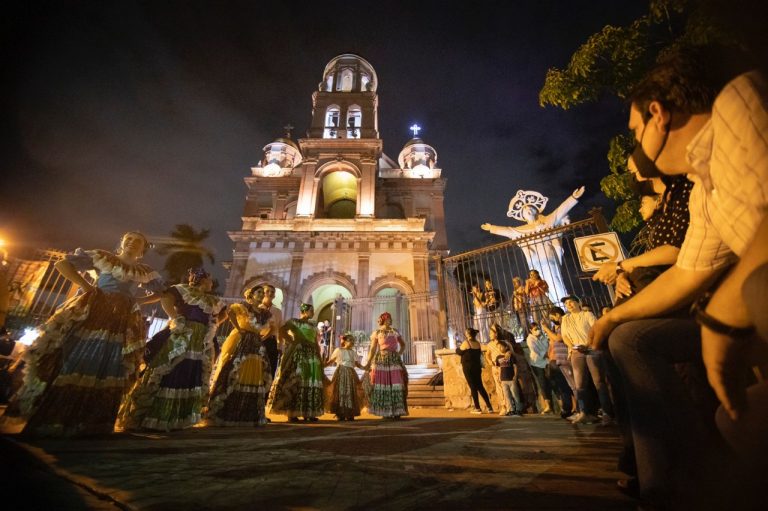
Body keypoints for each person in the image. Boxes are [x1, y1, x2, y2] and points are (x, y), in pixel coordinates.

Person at [588, 47, 767, 509]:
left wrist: (721, 316)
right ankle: (674, 484)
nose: (633, 149)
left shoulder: (740, 101)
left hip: (754, 306)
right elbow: (689, 272)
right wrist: (611, 320)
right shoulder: (705, 191)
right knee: (632, 338)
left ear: (657, 115)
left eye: (633, 133)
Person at [3, 232, 163, 437]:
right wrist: (87, 286)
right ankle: (56, 418)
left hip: (120, 318)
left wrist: (137, 300)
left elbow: (162, 292)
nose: (132, 242)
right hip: (95, 308)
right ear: (122, 242)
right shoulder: (104, 257)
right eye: (128, 239)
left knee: (109, 361)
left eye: (137, 241)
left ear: (142, 250)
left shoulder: (143, 270)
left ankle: (90, 422)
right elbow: (62, 264)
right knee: (74, 353)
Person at [117, 268, 225, 431]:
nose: (212, 283)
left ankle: (176, 415)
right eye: (210, 280)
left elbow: (224, 313)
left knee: (190, 369)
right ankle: (152, 415)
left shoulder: (212, 300)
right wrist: (176, 318)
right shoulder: (182, 289)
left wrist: (214, 325)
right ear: (202, 280)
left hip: (200, 337)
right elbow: (166, 299)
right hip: (181, 331)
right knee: (169, 364)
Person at [481, 186, 585, 302]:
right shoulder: (522, 230)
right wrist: (492, 228)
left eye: (531, 208)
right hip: (535, 261)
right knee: (538, 286)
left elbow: (560, 211)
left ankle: (562, 304)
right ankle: (551, 308)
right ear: (523, 216)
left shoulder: (547, 221)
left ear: (536, 210)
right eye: (526, 211)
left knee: (555, 280)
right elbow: (508, 231)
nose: (529, 211)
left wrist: (573, 198)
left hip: (548, 257)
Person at [206, 284, 273, 427]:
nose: (261, 295)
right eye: (258, 292)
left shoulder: (264, 312)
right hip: (241, 340)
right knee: (235, 371)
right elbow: (230, 312)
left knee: (255, 374)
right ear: (252, 294)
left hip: (255, 342)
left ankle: (247, 414)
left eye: (262, 293)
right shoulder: (243, 306)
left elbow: (272, 328)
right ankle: (227, 411)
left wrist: (262, 337)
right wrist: (238, 329)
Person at [561, 295, 614, 425]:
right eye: (567, 303)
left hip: (591, 349)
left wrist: (588, 344)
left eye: (571, 302)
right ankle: (584, 412)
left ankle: (608, 413)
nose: (569, 305)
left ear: (578, 303)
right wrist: (572, 347)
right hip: (575, 351)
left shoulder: (587, 314)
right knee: (580, 385)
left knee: (599, 382)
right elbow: (564, 336)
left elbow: (596, 330)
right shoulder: (565, 319)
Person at [271, 303, 325, 422]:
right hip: (299, 352)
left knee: (310, 380)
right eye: (311, 310)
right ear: (304, 311)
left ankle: (308, 412)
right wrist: (292, 341)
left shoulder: (313, 325)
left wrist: (319, 357)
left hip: (312, 355)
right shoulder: (294, 321)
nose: (313, 312)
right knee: (297, 379)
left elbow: (315, 342)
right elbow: (282, 330)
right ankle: (292, 412)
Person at [365, 312, 408, 419]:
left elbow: (403, 345)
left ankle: (397, 411)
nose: (390, 320)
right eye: (388, 318)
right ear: (383, 320)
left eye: (390, 318)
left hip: (394, 360)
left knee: (396, 382)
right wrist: (369, 361)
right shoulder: (377, 332)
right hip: (382, 359)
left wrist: (398, 354)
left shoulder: (395, 331)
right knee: (383, 382)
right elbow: (373, 348)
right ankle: (385, 411)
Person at [542, 307, 576, 419]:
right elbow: (553, 341)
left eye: (553, 317)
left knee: (573, 386)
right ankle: (568, 409)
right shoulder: (556, 327)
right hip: (558, 360)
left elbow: (558, 339)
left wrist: (546, 329)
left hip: (566, 359)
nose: (552, 320)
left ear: (558, 315)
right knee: (564, 387)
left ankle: (579, 409)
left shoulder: (564, 325)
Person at [324, 333, 366, 421]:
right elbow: (331, 361)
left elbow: (357, 363)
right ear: (345, 341)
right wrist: (322, 366)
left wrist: (365, 368)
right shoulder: (338, 350)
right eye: (350, 340)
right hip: (341, 372)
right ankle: (340, 413)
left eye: (353, 341)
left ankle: (350, 412)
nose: (352, 342)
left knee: (350, 391)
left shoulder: (353, 352)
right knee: (340, 391)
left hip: (350, 373)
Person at [455, 328, 494, 414]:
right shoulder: (477, 343)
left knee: (473, 387)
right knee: (480, 387)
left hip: (468, 368)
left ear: (468, 334)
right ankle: (489, 407)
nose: (465, 333)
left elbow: (459, 352)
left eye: (466, 332)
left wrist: (457, 347)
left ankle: (477, 407)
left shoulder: (466, 343)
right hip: (477, 367)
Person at [525, 322, 554, 414]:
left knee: (551, 382)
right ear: (530, 331)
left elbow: (549, 345)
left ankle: (553, 405)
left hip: (547, 362)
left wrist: (549, 354)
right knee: (542, 383)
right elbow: (535, 349)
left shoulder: (544, 336)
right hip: (537, 363)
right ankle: (548, 405)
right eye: (535, 329)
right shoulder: (530, 339)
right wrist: (546, 354)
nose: (537, 331)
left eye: (538, 328)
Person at [259, 285, 282, 382]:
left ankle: (266, 394)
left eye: (272, 291)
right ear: (263, 293)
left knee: (270, 368)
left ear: (274, 295)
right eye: (267, 291)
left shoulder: (277, 311)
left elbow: (280, 328)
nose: (270, 293)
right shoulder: (257, 308)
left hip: (271, 342)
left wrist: (280, 346)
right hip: (258, 340)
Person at [493, 339, 522, 417]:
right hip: (503, 379)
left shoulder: (510, 355)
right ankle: (510, 410)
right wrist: (499, 378)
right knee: (507, 396)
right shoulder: (498, 357)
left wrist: (515, 376)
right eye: (498, 347)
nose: (500, 349)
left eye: (501, 347)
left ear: (506, 347)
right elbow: (499, 369)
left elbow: (515, 366)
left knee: (515, 395)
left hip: (511, 379)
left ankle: (518, 410)